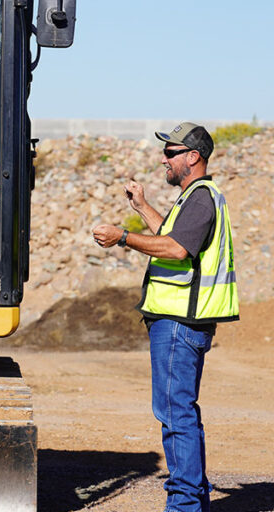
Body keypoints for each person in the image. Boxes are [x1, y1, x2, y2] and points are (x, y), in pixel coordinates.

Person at [92, 122, 239, 512]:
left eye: (171, 153)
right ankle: (193, 500)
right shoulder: (193, 197)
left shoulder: (202, 197)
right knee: (181, 411)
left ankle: (185, 506)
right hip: (178, 323)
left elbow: (175, 250)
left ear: (193, 157)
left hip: (179, 324)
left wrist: (123, 236)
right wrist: (141, 205)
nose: (164, 159)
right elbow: (171, 235)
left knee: (176, 415)